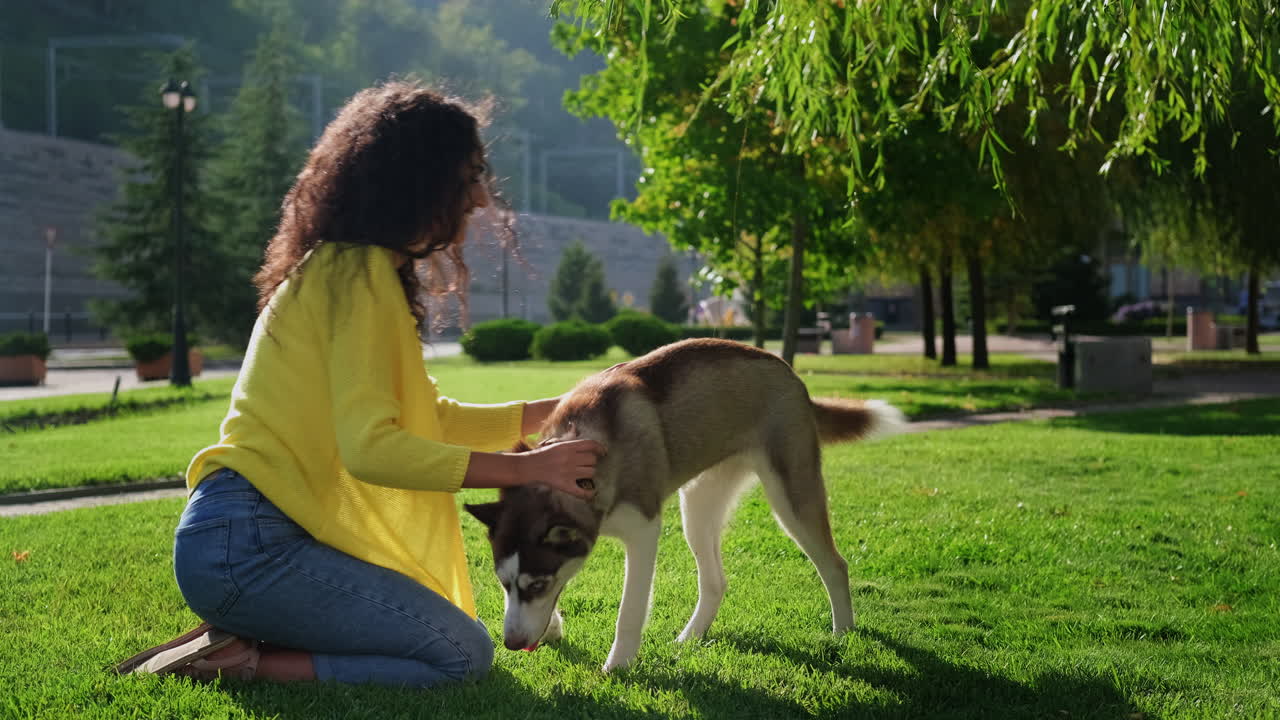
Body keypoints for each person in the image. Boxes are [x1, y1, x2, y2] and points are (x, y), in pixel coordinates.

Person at [114, 80, 604, 687]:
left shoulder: (352, 268)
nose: (481, 197)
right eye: (469, 175)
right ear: (420, 180)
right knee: (462, 655)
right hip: (250, 545)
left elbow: (431, 418)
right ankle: (244, 660)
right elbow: (373, 449)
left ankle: (247, 630)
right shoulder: (357, 275)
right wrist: (527, 471)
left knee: (454, 638)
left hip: (243, 540)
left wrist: (560, 408)